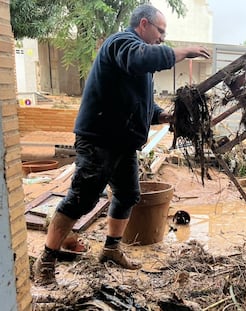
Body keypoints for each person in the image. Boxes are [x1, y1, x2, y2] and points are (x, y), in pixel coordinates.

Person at [33, 3, 210, 286]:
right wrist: (183, 52)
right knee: (82, 199)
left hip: (124, 142)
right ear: (143, 24)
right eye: (160, 31)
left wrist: (164, 116)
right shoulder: (122, 44)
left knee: (128, 194)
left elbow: (143, 105)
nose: (162, 38)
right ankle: (46, 261)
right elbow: (141, 59)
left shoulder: (139, 64)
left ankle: (111, 250)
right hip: (99, 139)